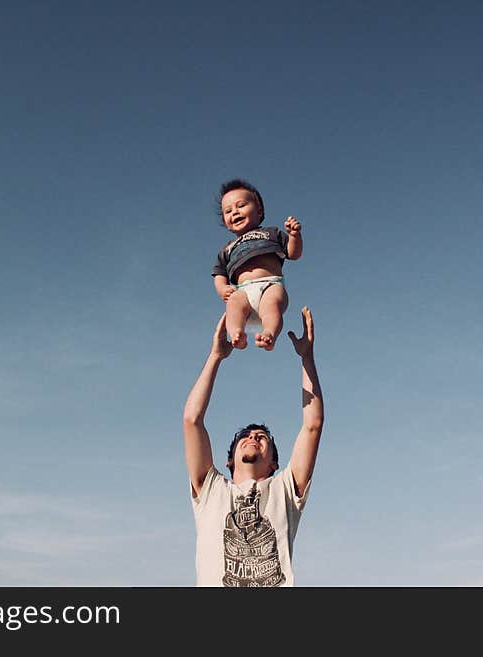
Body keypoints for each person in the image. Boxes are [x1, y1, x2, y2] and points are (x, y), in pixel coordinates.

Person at [182, 307, 324, 586]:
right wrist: (215, 357)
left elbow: (313, 425)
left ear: (274, 463)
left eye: (262, 437)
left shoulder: (284, 490)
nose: (253, 437)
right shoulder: (211, 491)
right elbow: (192, 420)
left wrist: (307, 357)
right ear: (229, 461)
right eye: (245, 436)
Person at [212, 179, 303, 351]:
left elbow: (293, 254)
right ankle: (237, 333)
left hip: (271, 284)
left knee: (271, 305)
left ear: (259, 210)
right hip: (242, 290)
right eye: (228, 211)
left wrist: (294, 236)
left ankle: (269, 334)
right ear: (225, 222)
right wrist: (223, 289)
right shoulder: (228, 248)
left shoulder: (271, 233)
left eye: (241, 205)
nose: (235, 212)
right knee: (233, 304)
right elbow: (219, 273)